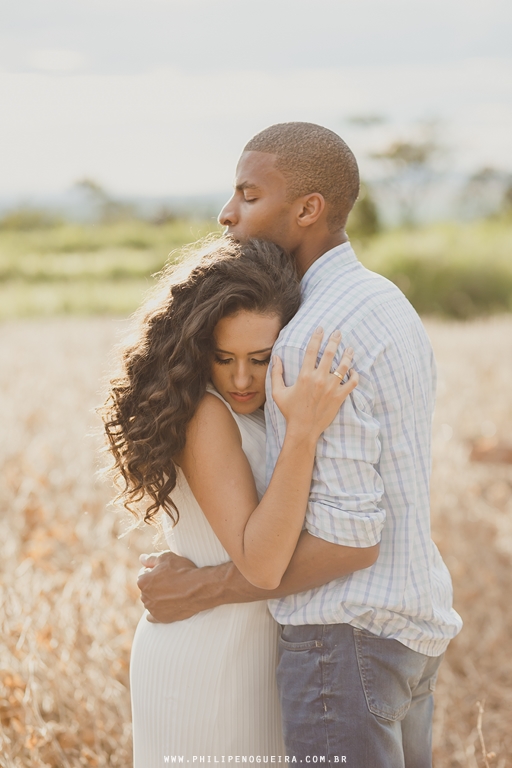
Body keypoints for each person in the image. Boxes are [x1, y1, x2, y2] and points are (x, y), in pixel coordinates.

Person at [137, 122, 463, 767]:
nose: (227, 214)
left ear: (308, 208)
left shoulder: (308, 340)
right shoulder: (381, 298)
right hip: (405, 633)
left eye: (249, 195)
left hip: (345, 644)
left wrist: (201, 588)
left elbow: (348, 540)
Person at [102, 236, 363, 765]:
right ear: (199, 348)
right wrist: (303, 433)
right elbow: (264, 564)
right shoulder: (206, 415)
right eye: (223, 358)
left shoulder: (259, 410)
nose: (242, 379)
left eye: (260, 359)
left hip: (254, 652)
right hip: (210, 658)